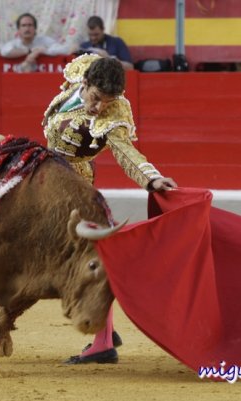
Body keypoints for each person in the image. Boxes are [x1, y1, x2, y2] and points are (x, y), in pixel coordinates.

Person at [41, 54, 177, 364]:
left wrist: (151, 179)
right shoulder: (80, 71)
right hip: (46, 173)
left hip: (74, 184)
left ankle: (102, 342)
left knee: (90, 258)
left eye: (107, 102)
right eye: (95, 98)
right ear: (84, 82)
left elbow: (126, 151)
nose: (99, 107)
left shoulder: (114, 115)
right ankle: (107, 331)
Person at [0, 12, 73, 73]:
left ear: (35, 28)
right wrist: (30, 51)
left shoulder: (44, 40)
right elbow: (4, 52)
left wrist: (43, 51)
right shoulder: (14, 43)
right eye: (23, 25)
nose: (27, 28)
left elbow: (66, 50)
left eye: (30, 25)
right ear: (18, 29)